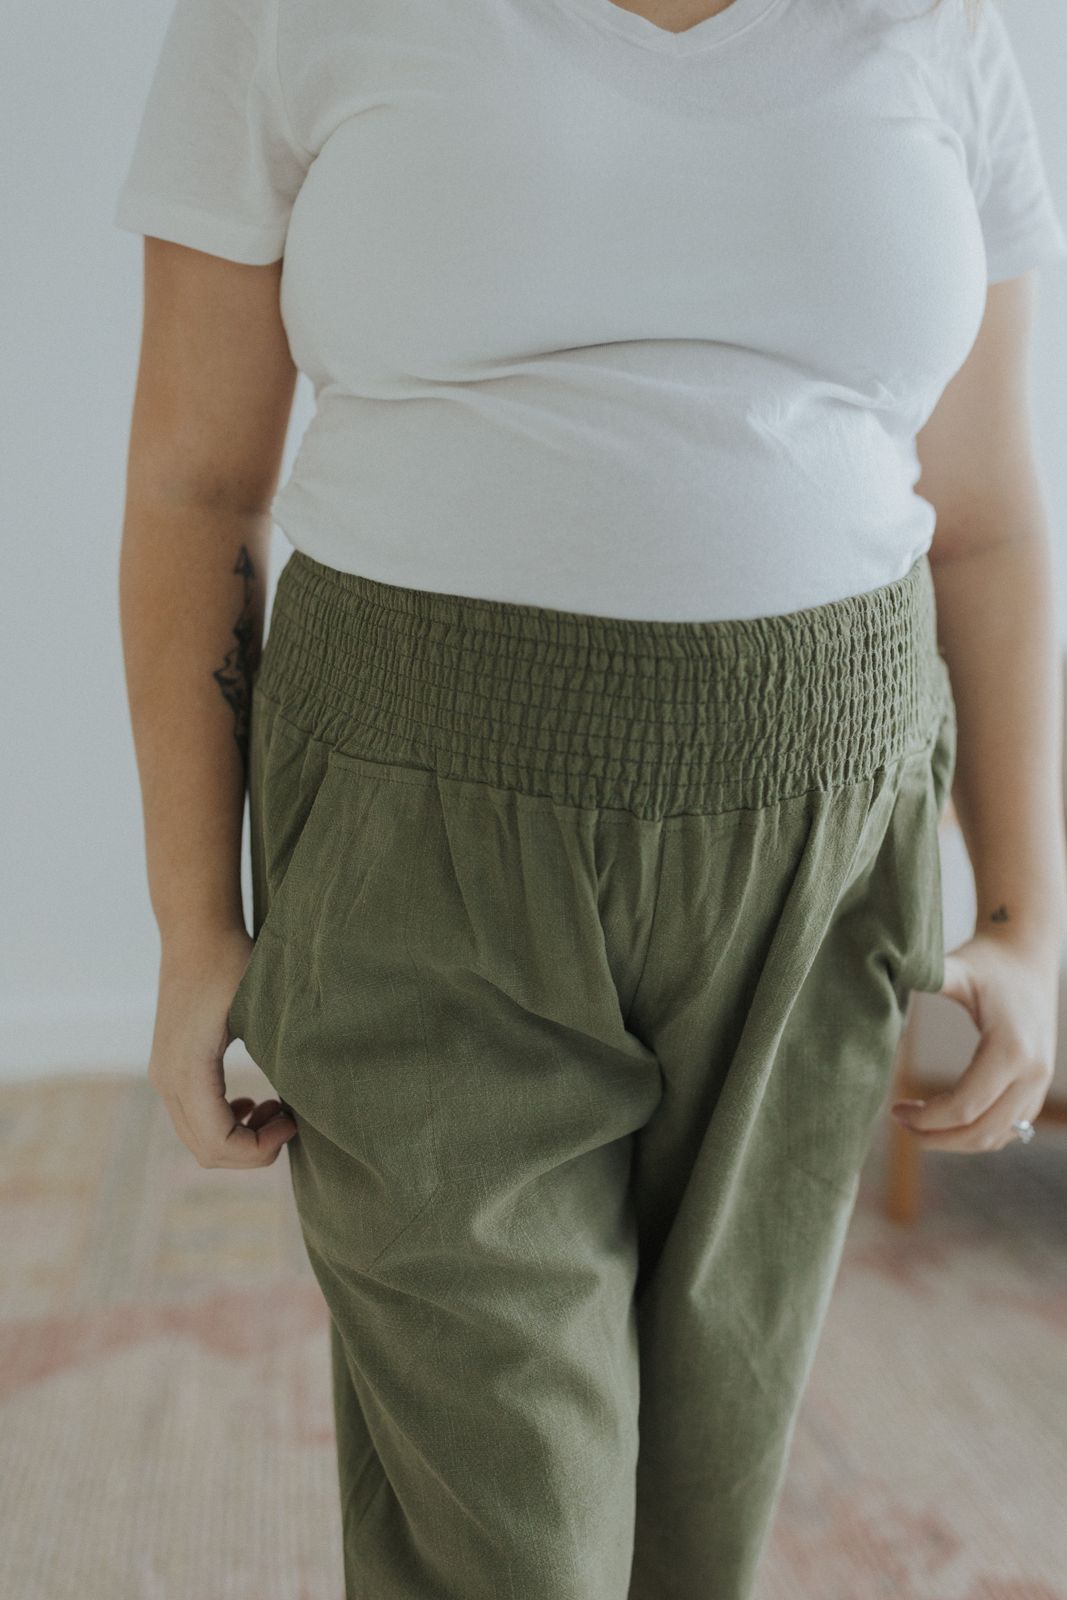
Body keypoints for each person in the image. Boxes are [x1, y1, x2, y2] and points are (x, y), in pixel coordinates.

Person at [112, 0, 1067, 1594]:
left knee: (706, 1497)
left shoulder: (943, 20)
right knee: (511, 1530)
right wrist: (191, 922)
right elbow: (194, 481)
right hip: (417, 827)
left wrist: (1033, 914)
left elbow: (983, 511)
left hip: (826, 840)